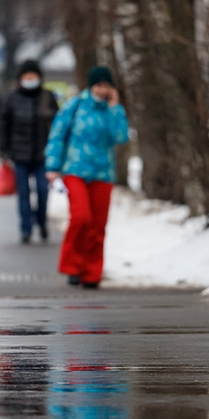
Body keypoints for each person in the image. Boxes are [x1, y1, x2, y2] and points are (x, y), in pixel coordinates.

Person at [44, 65, 129, 289]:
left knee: (98, 225)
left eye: (107, 86)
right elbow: (57, 136)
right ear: (91, 86)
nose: (102, 90)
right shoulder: (75, 106)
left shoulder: (113, 110)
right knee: (81, 218)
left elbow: (121, 137)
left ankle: (92, 272)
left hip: (103, 172)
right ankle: (73, 267)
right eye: (99, 85)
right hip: (75, 170)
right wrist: (52, 166)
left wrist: (113, 108)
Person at [0, 59, 59, 244]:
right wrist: (4, 151)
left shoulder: (47, 97)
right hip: (19, 154)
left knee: (42, 191)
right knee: (23, 193)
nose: (30, 79)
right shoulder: (12, 98)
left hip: (43, 154)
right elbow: (3, 126)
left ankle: (42, 223)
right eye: (27, 76)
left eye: (33, 76)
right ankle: (25, 228)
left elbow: (58, 125)